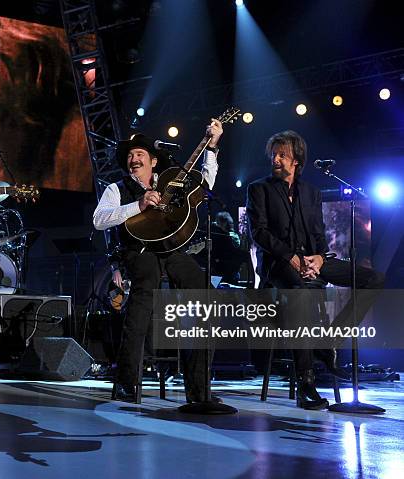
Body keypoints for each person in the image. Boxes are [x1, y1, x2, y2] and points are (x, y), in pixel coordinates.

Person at [246, 130, 385, 409]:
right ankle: (305, 381)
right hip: (278, 263)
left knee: (373, 279)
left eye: (282, 154)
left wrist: (320, 259)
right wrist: (291, 258)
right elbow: (258, 233)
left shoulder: (312, 192)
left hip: (313, 260)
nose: (276, 158)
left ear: (296, 159)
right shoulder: (258, 188)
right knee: (300, 292)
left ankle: (330, 339)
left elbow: (320, 236)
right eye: (273, 153)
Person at [93, 121, 223, 403]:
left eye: (139, 153)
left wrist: (211, 147)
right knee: (145, 292)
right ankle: (128, 382)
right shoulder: (116, 189)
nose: (133, 158)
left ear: (153, 160)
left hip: (172, 250)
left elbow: (204, 185)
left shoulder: (170, 182)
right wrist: (137, 206)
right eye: (129, 155)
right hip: (138, 251)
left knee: (204, 293)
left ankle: (199, 390)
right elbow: (99, 220)